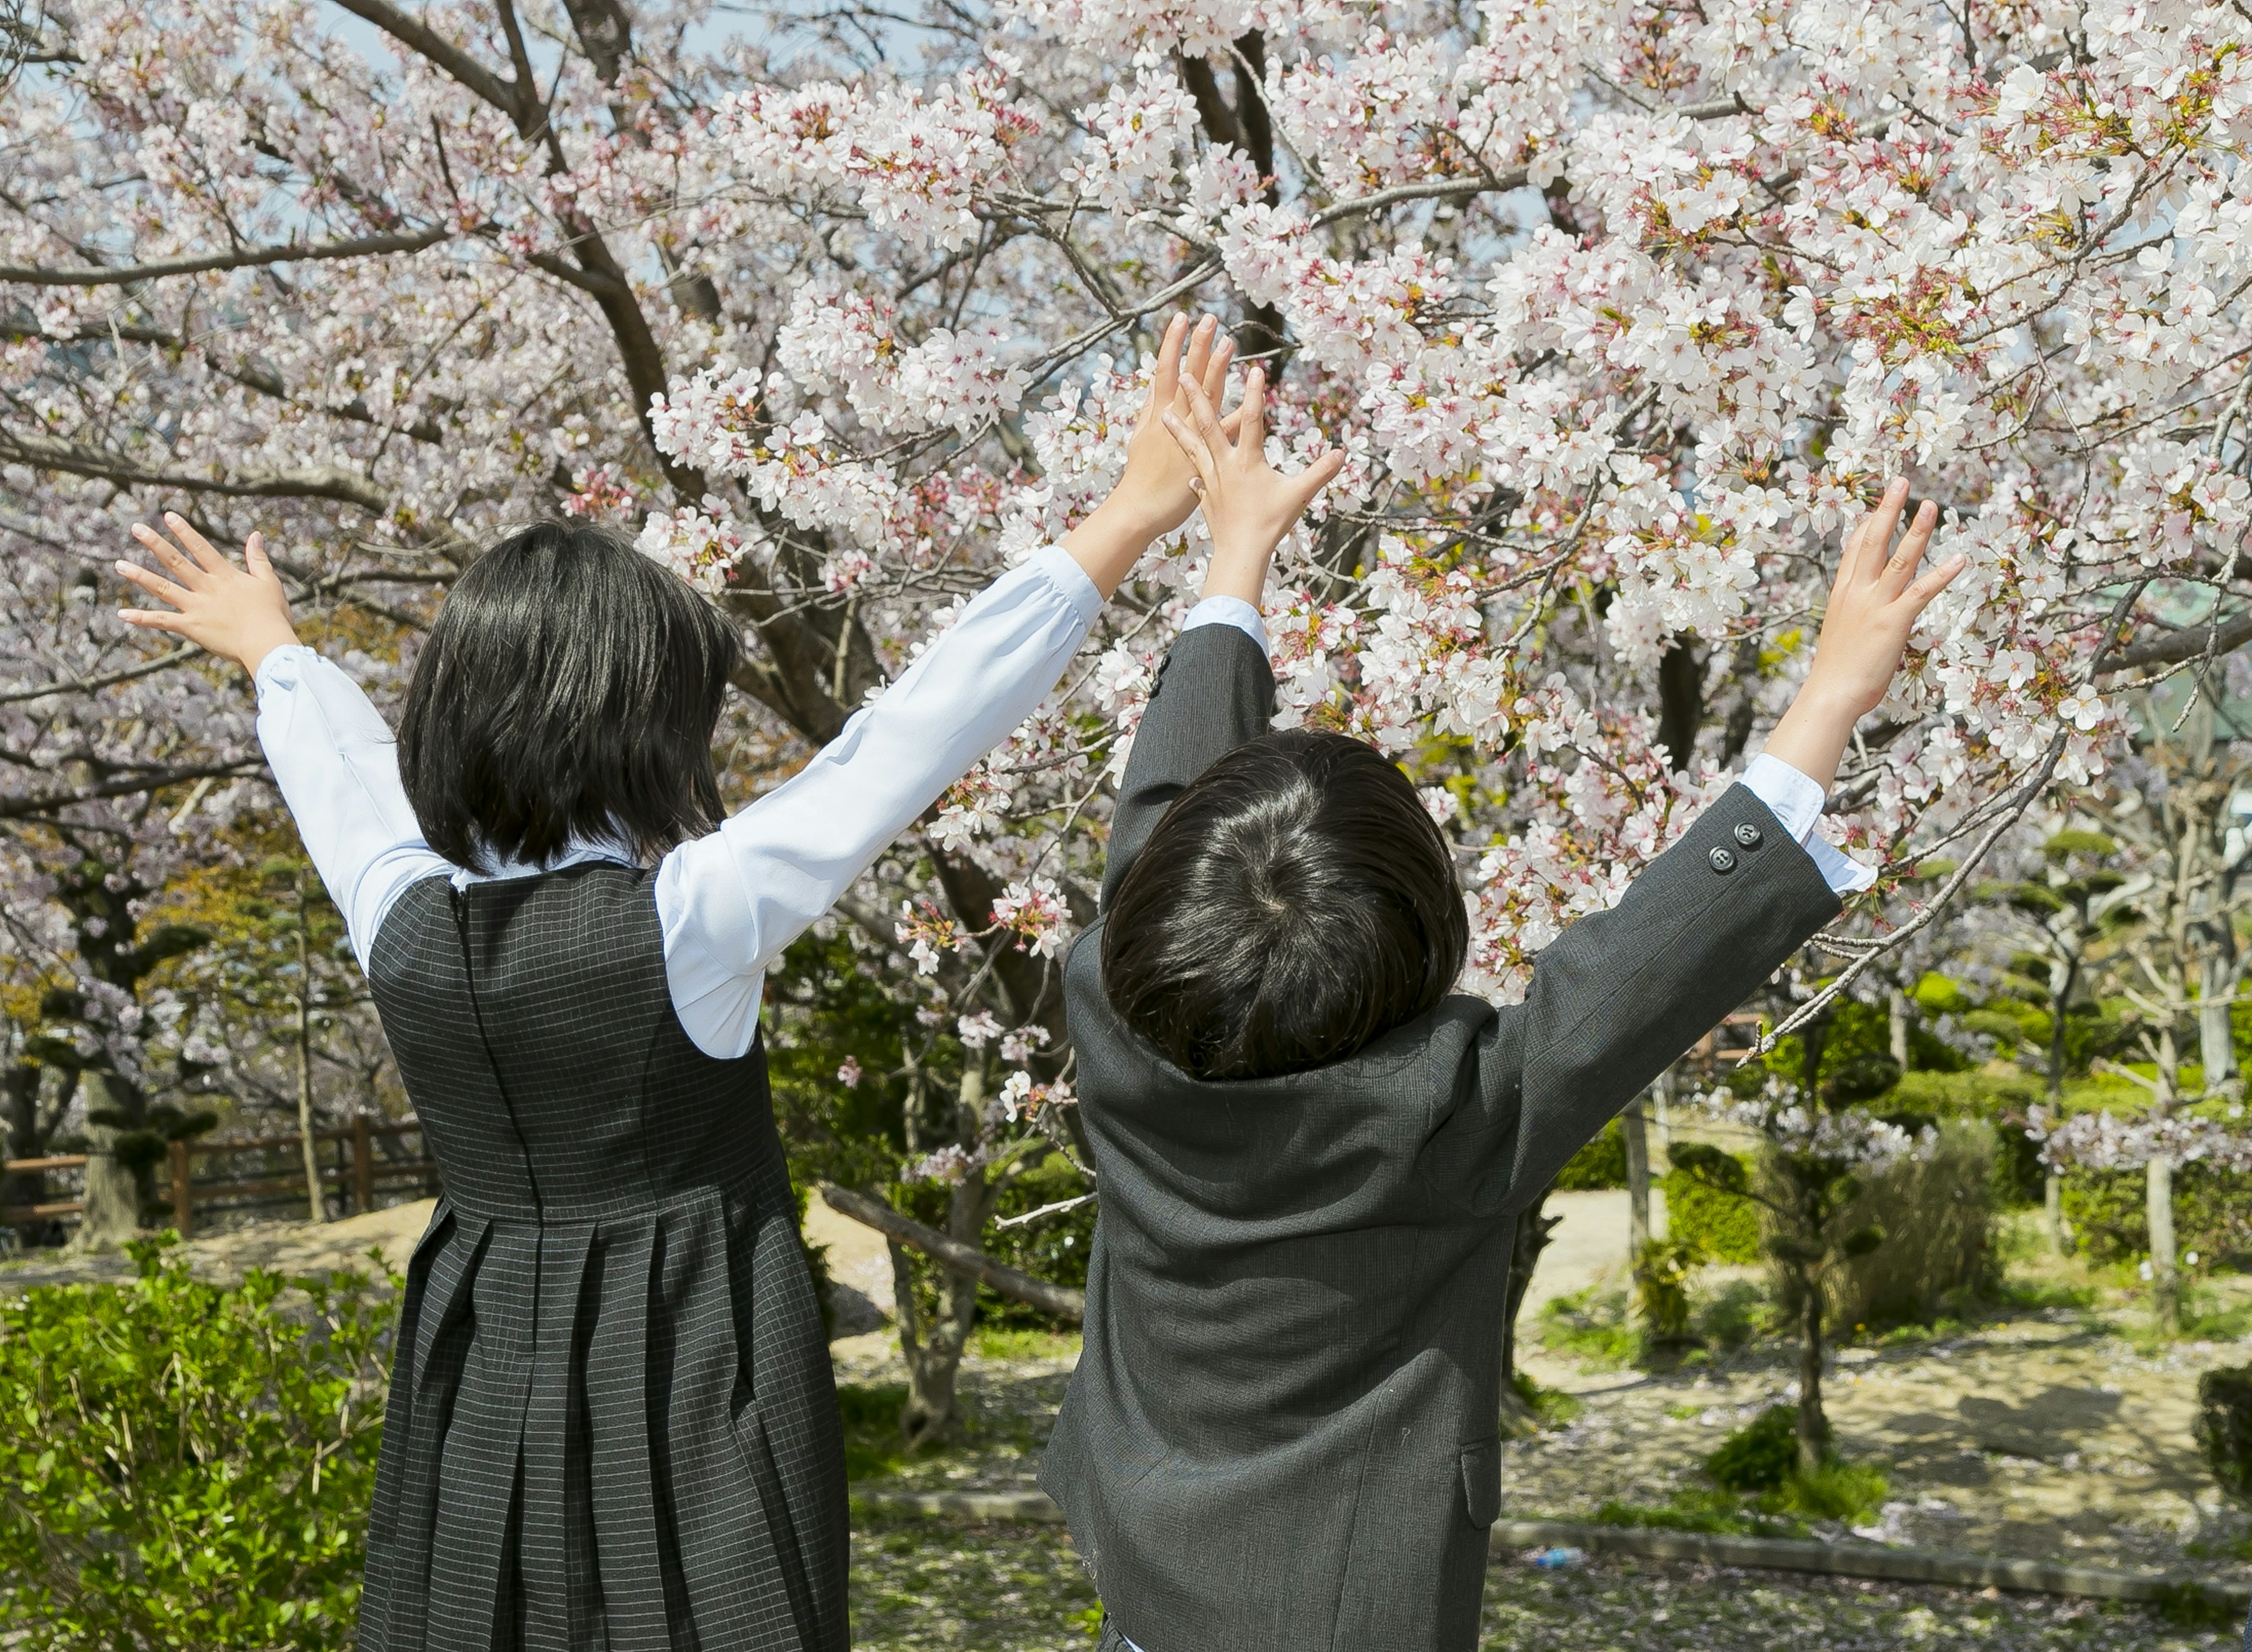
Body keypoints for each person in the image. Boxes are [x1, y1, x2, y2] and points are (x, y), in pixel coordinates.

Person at [111, 316, 1248, 1652]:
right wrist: (1120, 522)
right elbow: (899, 742)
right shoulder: (688, 916)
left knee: (475, 1610)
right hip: (697, 1347)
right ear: (639, 726)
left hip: (479, 1345)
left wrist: (273, 649)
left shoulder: (401, 915)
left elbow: (342, 775)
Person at [1039, 361, 1966, 1651]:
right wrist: (1828, 699)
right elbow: (1648, 967)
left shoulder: (1107, 1000)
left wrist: (1232, 561)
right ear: (1423, 938)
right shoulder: (1448, 1113)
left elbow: (1159, 820)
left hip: (1145, 1562)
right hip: (1350, 1608)